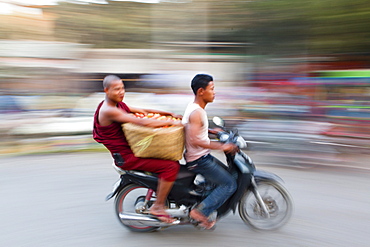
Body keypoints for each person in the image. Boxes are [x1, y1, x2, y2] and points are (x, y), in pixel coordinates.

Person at [93, 75, 182, 223]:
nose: (121, 92)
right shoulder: (109, 110)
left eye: (122, 88)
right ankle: (158, 206)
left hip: (132, 151)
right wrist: (172, 123)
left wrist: (169, 114)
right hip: (128, 157)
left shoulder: (117, 105)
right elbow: (141, 121)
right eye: (116, 89)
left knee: (170, 160)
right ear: (106, 90)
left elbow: (143, 111)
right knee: (171, 167)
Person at [182, 74, 238, 229]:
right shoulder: (197, 112)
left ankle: (205, 200)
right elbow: (194, 140)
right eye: (212, 89)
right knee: (229, 184)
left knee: (227, 175)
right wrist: (222, 147)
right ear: (201, 91)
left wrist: (213, 132)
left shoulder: (196, 109)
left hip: (201, 157)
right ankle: (200, 212)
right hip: (198, 160)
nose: (214, 92)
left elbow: (196, 131)